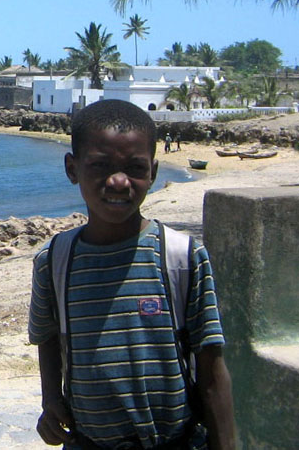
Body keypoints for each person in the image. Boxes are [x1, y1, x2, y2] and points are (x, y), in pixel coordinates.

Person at [29, 100, 235, 450]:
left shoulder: (182, 257)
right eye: (100, 166)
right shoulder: (55, 261)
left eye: (135, 168)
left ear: (153, 172)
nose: (119, 181)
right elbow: (47, 337)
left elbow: (213, 372)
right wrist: (51, 400)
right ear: (72, 168)